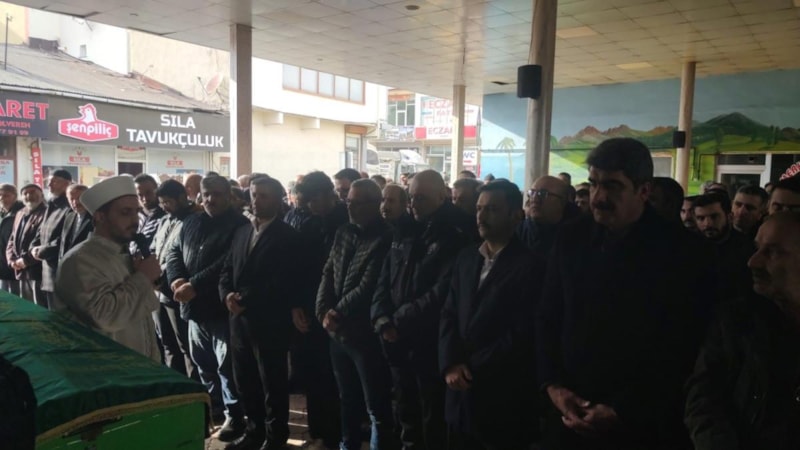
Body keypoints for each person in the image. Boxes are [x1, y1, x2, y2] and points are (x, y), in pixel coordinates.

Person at [536, 138, 717, 449]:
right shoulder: (570, 238)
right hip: (569, 412)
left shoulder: (681, 252)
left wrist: (625, 409)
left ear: (643, 191)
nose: (598, 197)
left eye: (612, 186)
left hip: (642, 424)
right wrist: (553, 385)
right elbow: (547, 315)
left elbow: (682, 344)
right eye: (594, 183)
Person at [371, 170, 474, 450]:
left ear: (442, 197)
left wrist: (398, 320)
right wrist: (381, 318)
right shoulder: (405, 229)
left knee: (432, 416)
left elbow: (442, 291)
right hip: (396, 338)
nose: (414, 204)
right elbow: (385, 278)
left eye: (422, 198)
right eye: (412, 197)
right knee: (405, 411)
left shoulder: (456, 234)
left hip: (428, 341)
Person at [440, 180, 545, 450]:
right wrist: (450, 362)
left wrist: (471, 368)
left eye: (492, 209)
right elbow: (449, 312)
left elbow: (521, 331)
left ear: (516, 215)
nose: (481, 216)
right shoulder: (467, 257)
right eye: (479, 208)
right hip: (458, 391)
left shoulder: (530, 266)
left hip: (500, 394)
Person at [684, 211, 800, 449]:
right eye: (757, 249)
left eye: (773, 252)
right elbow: (703, 399)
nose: (753, 262)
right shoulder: (735, 321)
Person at [221, 177, 303, 450]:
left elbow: (282, 280)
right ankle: (254, 432)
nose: (257, 201)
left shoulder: (288, 236)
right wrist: (227, 294)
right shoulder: (242, 231)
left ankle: (275, 437)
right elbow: (227, 269)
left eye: (264, 196)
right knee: (245, 381)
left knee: (272, 384)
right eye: (254, 195)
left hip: (269, 322)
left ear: (279, 199)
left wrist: (246, 298)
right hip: (239, 321)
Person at [316, 179, 397, 450]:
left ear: (375, 204)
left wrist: (337, 311)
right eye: (348, 201)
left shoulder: (386, 237)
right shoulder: (344, 231)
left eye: (358, 203)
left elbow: (369, 284)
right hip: (337, 331)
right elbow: (328, 271)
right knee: (347, 398)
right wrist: (322, 310)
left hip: (364, 333)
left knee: (376, 405)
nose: (350, 207)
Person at [167, 175, 248, 442]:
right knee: (203, 363)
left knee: (226, 366)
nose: (210, 199)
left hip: (220, 308)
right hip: (193, 308)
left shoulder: (240, 225)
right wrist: (176, 278)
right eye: (206, 194)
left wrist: (194, 285)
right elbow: (175, 251)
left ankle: (235, 415)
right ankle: (214, 408)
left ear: (229, 196)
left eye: (217, 194)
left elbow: (228, 262)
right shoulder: (192, 221)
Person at [55, 176, 161, 359]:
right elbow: (104, 317)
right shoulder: (80, 260)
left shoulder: (124, 255)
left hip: (136, 366)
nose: (135, 220)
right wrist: (143, 278)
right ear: (100, 216)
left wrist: (146, 280)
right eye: (125, 212)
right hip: (104, 367)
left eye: (136, 212)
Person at [286, 171, 346, 450]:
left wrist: (331, 309)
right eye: (306, 200)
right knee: (314, 376)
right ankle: (320, 432)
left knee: (335, 380)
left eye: (313, 199)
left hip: (339, 314)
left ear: (327, 195)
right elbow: (298, 270)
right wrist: (296, 305)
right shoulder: (310, 224)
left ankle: (336, 437)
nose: (309, 206)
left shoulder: (346, 223)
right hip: (309, 310)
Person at [151, 180, 197, 379]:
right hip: (158, 291)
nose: (164, 207)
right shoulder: (164, 221)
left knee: (185, 346)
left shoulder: (195, 220)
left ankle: (192, 386)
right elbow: (155, 247)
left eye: (168, 202)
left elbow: (186, 258)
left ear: (182, 197)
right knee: (166, 343)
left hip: (177, 290)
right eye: (162, 203)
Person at [694, 193, 755, 298]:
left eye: (714, 217)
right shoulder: (690, 247)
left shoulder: (746, 248)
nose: (707, 224)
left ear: (730, 217)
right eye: (701, 218)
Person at [30, 169, 72, 310]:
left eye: (54, 181)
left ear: (67, 184)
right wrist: (33, 247)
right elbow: (41, 230)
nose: (49, 185)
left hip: (60, 273)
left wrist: (43, 251)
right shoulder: (52, 204)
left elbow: (66, 237)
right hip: (45, 272)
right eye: (48, 181)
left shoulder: (70, 207)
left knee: (60, 318)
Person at [517, 176, 579, 256]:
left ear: (562, 201)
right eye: (532, 193)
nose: (534, 199)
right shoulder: (518, 231)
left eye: (542, 194)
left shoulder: (576, 236)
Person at [6, 184, 46, 305]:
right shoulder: (20, 213)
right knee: (26, 306)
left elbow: (41, 240)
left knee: (40, 307)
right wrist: (11, 259)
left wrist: (26, 260)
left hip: (37, 270)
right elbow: (12, 238)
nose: (29, 196)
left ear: (42, 195)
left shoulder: (46, 212)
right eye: (25, 193)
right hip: (20, 270)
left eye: (33, 192)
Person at [133, 174, 166, 254]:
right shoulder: (133, 217)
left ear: (156, 191)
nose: (145, 198)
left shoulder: (165, 217)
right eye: (140, 195)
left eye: (148, 193)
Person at [58, 184, 93, 259]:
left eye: (79, 198)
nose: (75, 202)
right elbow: (63, 244)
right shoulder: (69, 217)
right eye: (71, 199)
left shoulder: (97, 218)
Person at [0, 184, 23, 293]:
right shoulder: (3, 213)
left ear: (15, 196)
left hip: (16, 264)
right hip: (3, 264)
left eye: (6, 195)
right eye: (0, 195)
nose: (2, 198)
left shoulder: (21, 212)